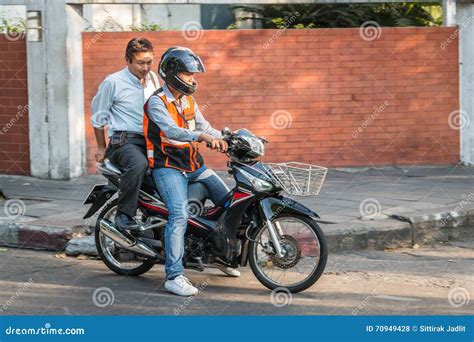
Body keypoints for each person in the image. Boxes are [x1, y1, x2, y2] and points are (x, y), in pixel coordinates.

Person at [143, 47, 240, 296]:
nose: (192, 79)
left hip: (194, 165)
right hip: (168, 167)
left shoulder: (188, 100)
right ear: (174, 73)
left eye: (193, 74)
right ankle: (174, 276)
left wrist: (231, 138)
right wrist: (203, 136)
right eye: (188, 74)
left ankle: (220, 256)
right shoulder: (156, 102)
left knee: (229, 203)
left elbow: (205, 126)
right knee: (179, 215)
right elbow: (172, 131)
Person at [91, 38, 160, 231]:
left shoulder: (153, 79)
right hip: (124, 142)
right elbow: (98, 117)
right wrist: (100, 146)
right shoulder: (113, 82)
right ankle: (124, 215)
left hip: (150, 142)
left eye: (149, 62)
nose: (145, 67)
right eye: (140, 63)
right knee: (139, 164)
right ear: (128, 60)